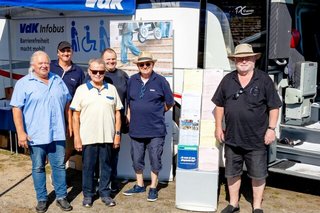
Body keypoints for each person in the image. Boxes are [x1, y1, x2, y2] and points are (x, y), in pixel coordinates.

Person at [211, 43, 282, 213]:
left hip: (257, 138)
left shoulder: (264, 79)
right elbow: (219, 105)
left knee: (258, 174)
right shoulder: (228, 80)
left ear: (253, 60)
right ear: (235, 61)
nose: (243, 61)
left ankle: (257, 206)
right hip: (232, 137)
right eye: (239, 58)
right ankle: (233, 204)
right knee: (232, 172)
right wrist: (218, 127)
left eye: (247, 57)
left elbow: (274, 107)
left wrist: (271, 129)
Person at [10, 51, 73, 213]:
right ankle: (42, 199)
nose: (44, 66)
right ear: (33, 66)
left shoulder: (57, 80)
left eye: (46, 63)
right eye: (40, 64)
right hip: (35, 135)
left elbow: (67, 102)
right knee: (38, 167)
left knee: (58, 166)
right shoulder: (24, 83)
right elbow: (16, 109)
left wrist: (69, 124)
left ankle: (61, 197)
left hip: (57, 133)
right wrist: (21, 133)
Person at [71, 58, 123, 208]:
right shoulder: (81, 90)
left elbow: (118, 113)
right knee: (88, 167)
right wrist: (77, 138)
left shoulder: (111, 89)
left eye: (101, 72)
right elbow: (75, 116)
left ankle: (105, 194)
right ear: (89, 71)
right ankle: (88, 195)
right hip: (88, 137)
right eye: (95, 71)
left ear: (104, 72)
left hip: (108, 136)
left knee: (106, 166)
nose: (98, 74)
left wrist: (117, 134)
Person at [123, 51, 175, 202]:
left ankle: (153, 187)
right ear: (138, 66)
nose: (145, 66)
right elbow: (129, 102)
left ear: (153, 64)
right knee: (137, 159)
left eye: (148, 64)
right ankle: (139, 185)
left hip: (155, 130)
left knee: (155, 158)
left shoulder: (161, 81)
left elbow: (170, 102)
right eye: (142, 64)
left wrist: (158, 111)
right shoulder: (132, 80)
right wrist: (129, 116)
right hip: (136, 129)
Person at [50, 41, 85, 164]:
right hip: (52, 112)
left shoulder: (78, 71)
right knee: (51, 143)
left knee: (69, 146)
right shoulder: (50, 67)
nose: (66, 53)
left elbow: (81, 93)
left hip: (69, 114)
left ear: (72, 52)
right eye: (63, 51)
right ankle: (56, 170)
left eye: (68, 50)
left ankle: (58, 168)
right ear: (58, 53)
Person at [101, 48, 129, 192]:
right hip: (101, 120)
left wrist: (128, 114)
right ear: (103, 60)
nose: (111, 62)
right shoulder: (98, 74)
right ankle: (99, 181)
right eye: (108, 59)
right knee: (101, 153)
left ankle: (113, 179)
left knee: (114, 152)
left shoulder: (123, 75)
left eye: (113, 59)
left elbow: (129, 97)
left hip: (118, 119)